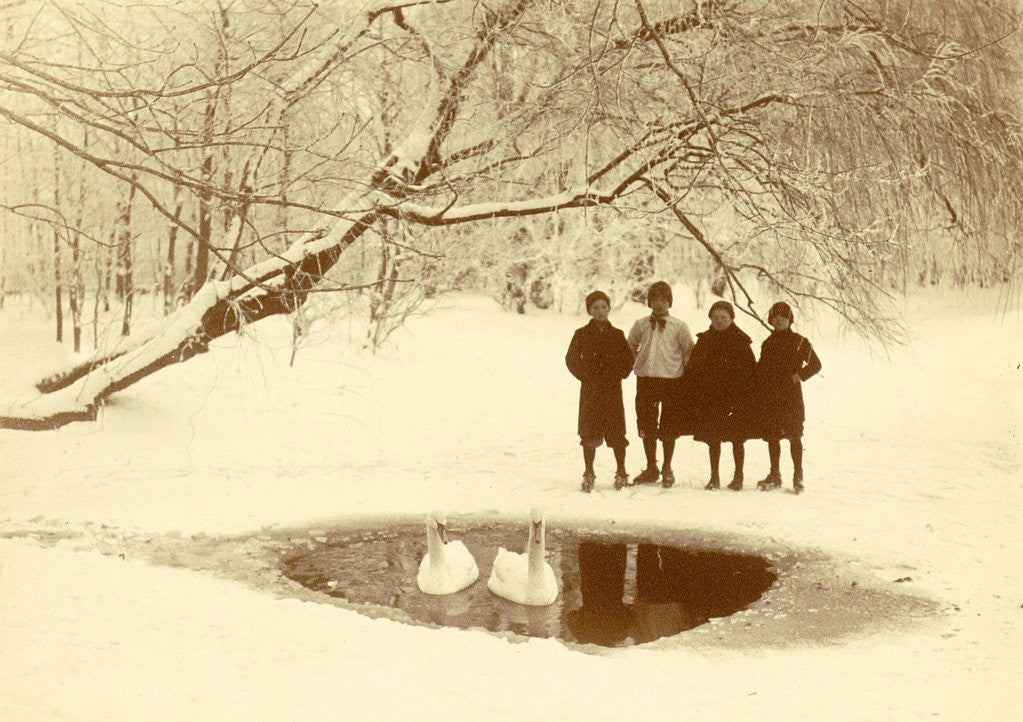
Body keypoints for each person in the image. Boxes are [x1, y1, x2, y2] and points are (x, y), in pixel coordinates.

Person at [626, 281, 694, 488]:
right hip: (646, 380)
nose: (659, 304)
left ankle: (667, 467)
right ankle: (651, 466)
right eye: (655, 299)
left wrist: (684, 373)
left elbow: (689, 351)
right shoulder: (640, 324)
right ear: (649, 302)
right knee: (647, 423)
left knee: (669, 425)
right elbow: (630, 346)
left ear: (669, 302)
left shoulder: (679, 326)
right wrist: (637, 362)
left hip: (672, 382)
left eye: (663, 300)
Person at [566, 290, 634, 492]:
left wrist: (620, 374)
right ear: (589, 310)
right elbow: (571, 359)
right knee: (589, 432)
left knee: (616, 432)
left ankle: (621, 472)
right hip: (591, 391)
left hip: (612, 390)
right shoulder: (581, 334)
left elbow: (628, 360)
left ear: (609, 309)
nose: (600, 312)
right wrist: (585, 376)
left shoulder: (617, 334)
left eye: (603, 307)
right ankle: (589, 472)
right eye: (595, 308)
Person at [683, 300, 756, 491]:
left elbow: (750, 371)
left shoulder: (741, 341)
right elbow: (694, 368)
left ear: (732, 319)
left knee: (737, 438)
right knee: (713, 437)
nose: (719, 321)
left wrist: (745, 396)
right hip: (711, 397)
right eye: (715, 318)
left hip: (736, 398)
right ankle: (714, 476)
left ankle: (738, 476)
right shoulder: (705, 340)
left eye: (724, 317)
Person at [753, 301, 822, 493]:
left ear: (790, 319)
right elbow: (762, 368)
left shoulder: (800, 341)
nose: (779, 320)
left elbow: (816, 364)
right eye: (775, 316)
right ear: (771, 319)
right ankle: (775, 474)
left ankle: (798, 475)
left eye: (783, 316)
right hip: (771, 396)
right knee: (773, 437)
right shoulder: (768, 343)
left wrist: (798, 375)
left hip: (791, 396)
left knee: (794, 436)